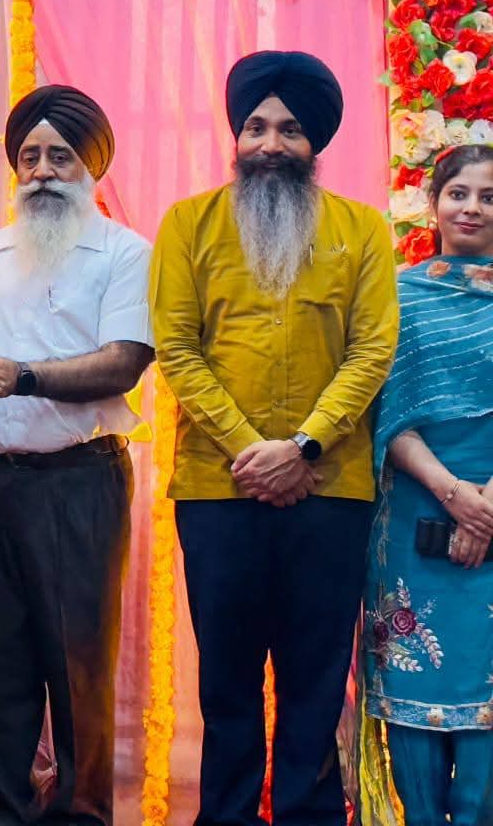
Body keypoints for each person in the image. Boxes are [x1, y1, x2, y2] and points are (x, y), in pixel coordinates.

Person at [150, 50, 398, 826]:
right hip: (217, 488)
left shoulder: (362, 229)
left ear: (315, 143)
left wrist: (305, 446)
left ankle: (307, 814)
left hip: (332, 488)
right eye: (255, 126)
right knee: (226, 680)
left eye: (290, 129)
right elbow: (176, 347)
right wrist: (250, 449)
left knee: (315, 678)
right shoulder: (188, 223)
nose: (270, 143)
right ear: (236, 133)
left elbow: (372, 350)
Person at [0, 85, 153, 826]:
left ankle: (81, 817)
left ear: (91, 166)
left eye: (60, 156)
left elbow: (124, 363)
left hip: (78, 483)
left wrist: (23, 376)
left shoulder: (125, 252)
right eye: (29, 156)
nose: (41, 171)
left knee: (78, 672)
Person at [362, 144, 493, 825]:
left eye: (489, 197)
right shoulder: (397, 295)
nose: (472, 208)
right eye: (458, 193)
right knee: (414, 694)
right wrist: (456, 496)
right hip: (415, 513)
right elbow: (386, 411)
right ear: (432, 202)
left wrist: (485, 506)